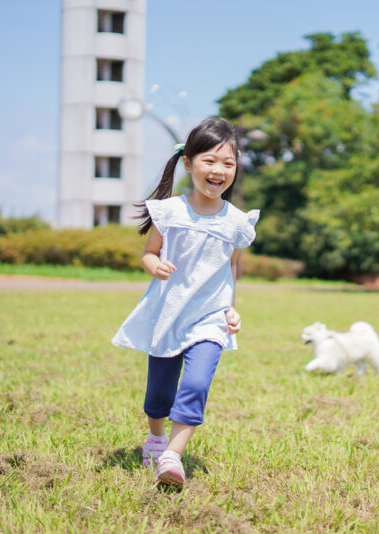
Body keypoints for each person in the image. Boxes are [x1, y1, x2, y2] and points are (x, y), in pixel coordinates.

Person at [112, 117, 259, 486]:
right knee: (159, 393)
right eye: (210, 160)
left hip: (209, 319)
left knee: (195, 384)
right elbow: (149, 253)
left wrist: (231, 308)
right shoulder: (170, 211)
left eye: (229, 163)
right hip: (168, 314)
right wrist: (155, 265)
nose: (219, 170)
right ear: (189, 163)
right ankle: (157, 437)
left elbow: (230, 270)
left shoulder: (237, 223)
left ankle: (172, 457)